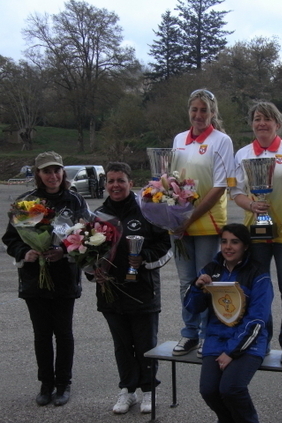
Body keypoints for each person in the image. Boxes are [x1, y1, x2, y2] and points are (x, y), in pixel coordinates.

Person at [2, 151, 88, 407]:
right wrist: (25, 251)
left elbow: (86, 232)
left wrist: (63, 250)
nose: (53, 176)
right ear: (38, 174)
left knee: (63, 333)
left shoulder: (74, 200)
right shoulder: (25, 202)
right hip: (34, 278)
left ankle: (63, 383)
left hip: (63, 276)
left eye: (57, 171)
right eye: (47, 171)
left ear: (63, 173)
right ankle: (45, 383)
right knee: (41, 334)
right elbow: (11, 238)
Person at [94, 162, 172, 415]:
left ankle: (149, 390)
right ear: (106, 184)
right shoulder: (98, 215)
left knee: (145, 343)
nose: (115, 185)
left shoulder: (148, 210)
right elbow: (85, 250)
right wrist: (93, 271)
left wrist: (145, 257)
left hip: (143, 291)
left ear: (130, 183)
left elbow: (165, 245)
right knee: (121, 344)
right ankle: (127, 391)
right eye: (111, 181)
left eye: (121, 180)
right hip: (111, 292)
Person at [231, 101, 282, 364]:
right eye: (257, 119)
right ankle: (262, 339)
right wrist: (251, 204)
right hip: (256, 231)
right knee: (260, 289)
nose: (262, 123)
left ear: (277, 123)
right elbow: (236, 192)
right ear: (252, 123)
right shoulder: (242, 154)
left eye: (267, 119)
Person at [184, 223, 273, 423]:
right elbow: (191, 307)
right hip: (216, 340)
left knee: (231, 389)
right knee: (209, 391)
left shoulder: (258, 275)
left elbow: (258, 320)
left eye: (235, 242)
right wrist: (197, 287)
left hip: (249, 343)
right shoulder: (210, 269)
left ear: (245, 246)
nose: (228, 247)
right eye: (224, 241)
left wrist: (233, 351)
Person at [170, 88, 236, 357]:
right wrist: (171, 214)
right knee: (186, 281)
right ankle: (189, 333)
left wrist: (188, 218)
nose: (198, 115)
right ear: (189, 111)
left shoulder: (222, 141)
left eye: (204, 110)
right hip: (178, 223)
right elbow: (171, 179)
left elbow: (220, 186)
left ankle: (210, 334)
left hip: (207, 222)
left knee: (206, 279)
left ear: (213, 113)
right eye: (194, 109)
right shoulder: (178, 139)